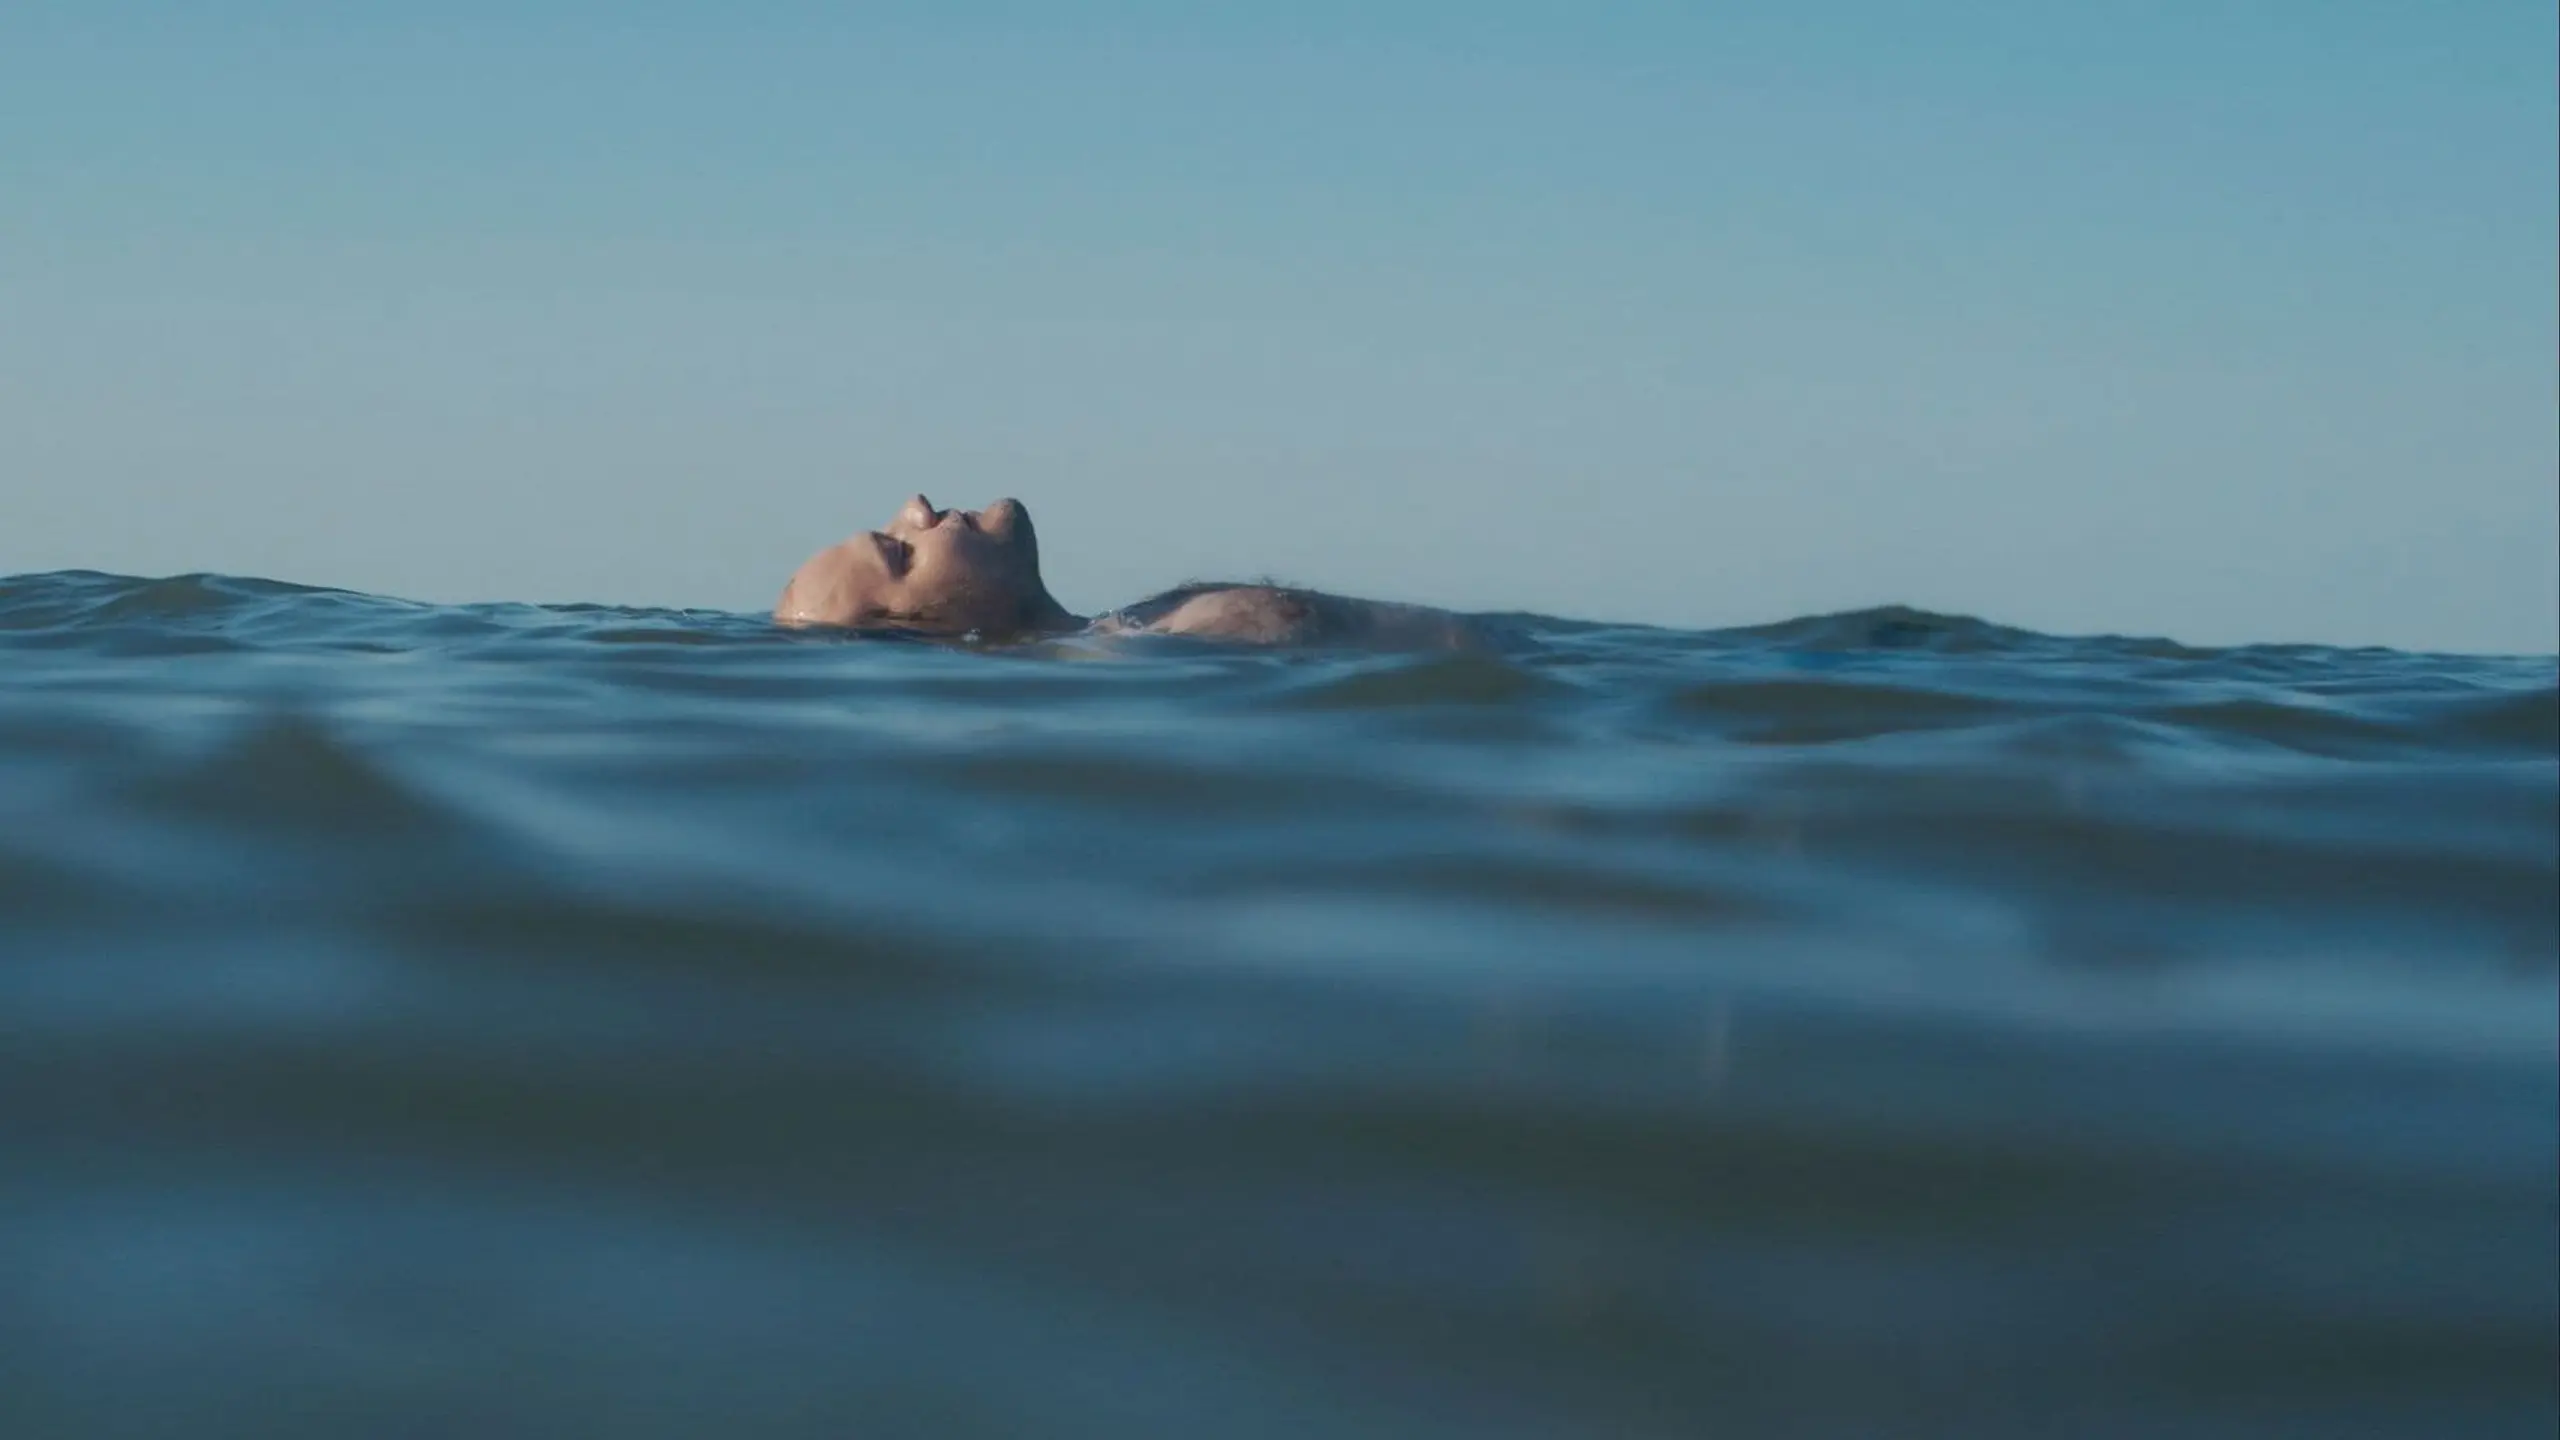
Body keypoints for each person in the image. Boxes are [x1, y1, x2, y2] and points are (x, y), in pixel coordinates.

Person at [774, 494, 1475, 646]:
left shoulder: (1132, 629)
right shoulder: (1133, 658)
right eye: (900, 550)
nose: (915, 508)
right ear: (942, 635)